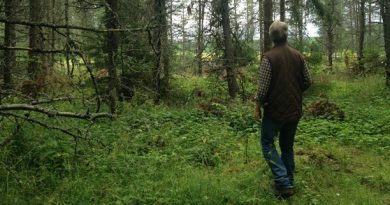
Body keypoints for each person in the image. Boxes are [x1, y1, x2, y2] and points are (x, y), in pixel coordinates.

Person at [254, 20, 312, 198]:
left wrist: (257, 107)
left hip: (274, 112)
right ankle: (289, 182)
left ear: (272, 36)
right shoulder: (298, 55)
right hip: (294, 110)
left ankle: (282, 181)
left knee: (266, 143)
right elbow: (308, 81)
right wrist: (294, 93)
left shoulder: (269, 58)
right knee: (287, 146)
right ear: (286, 35)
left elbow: (262, 90)